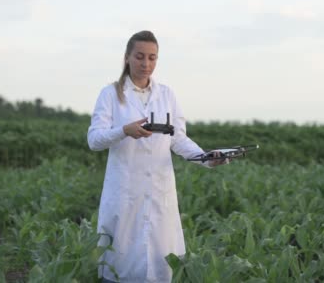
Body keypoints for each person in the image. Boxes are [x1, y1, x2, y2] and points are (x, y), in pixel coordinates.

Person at [87, 30, 226, 282]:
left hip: (159, 191)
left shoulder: (167, 95)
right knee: (122, 263)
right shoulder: (110, 95)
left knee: (159, 264)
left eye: (152, 58)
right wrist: (124, 131)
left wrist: (205, 158)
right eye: (140, 57)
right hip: (125, 192)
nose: (146, 64)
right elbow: (94, 140)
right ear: (127, 57)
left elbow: (179, 139)